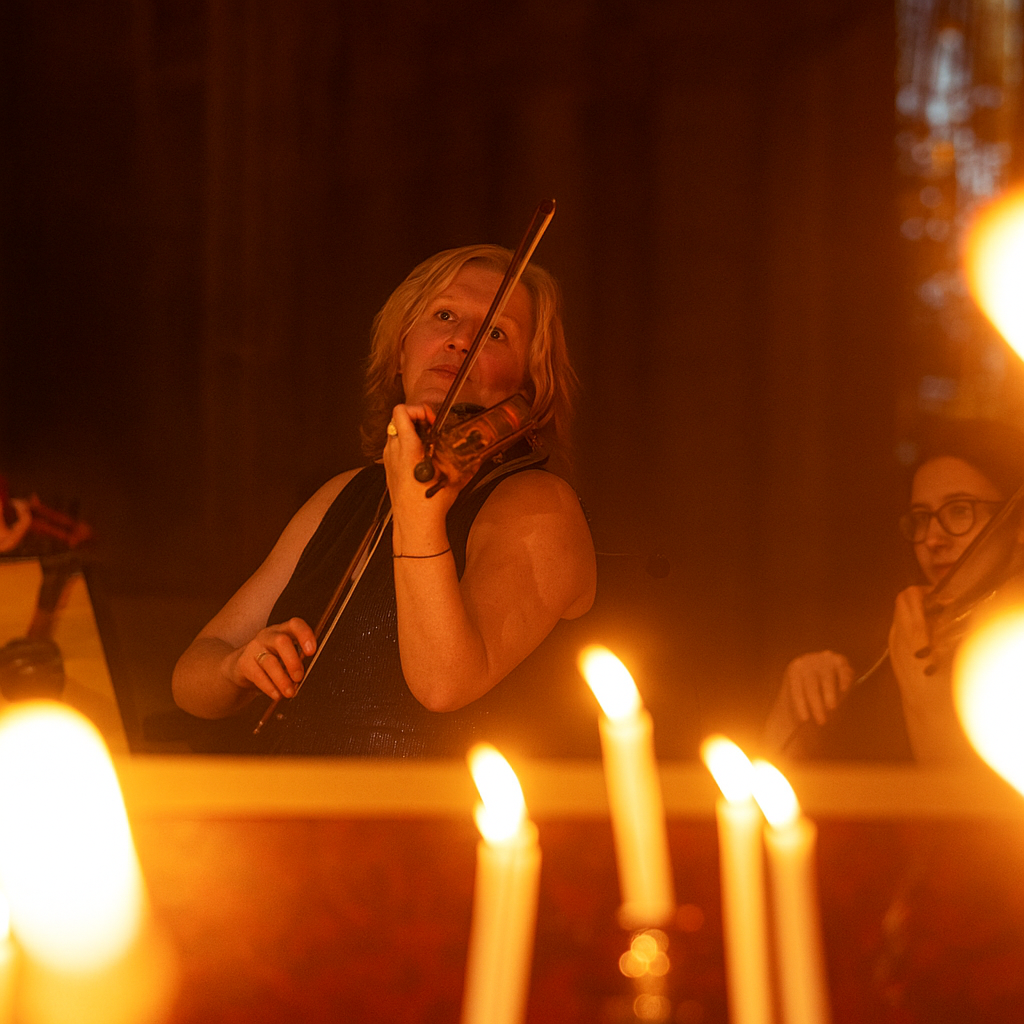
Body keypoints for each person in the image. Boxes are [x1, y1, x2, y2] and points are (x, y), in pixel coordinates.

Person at [172, 244, 597, 755]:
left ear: (529, 382)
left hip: (438, 827)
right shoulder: (346, 493)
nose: (461, 340)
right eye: (443, 316)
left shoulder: (541, 507)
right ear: (401, 349)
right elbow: (190, 679)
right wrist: (235, 667)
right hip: (296, 815)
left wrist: (419, 516)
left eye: (495, 333)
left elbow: (443, 686)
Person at [762, 417, 1024, 763]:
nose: (933, 539)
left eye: (960, 511)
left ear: (1017, 521)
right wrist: (794, 711)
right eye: (921, 518)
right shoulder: (893, 647)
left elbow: (970, 812)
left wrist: (926, 703)